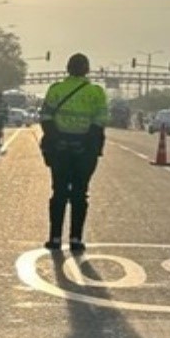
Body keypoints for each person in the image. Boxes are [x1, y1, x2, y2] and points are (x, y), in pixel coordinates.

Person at [40, 53, 109, 251]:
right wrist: (85, 143)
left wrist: (58, 139)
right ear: (87, 70)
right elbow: (100, 121)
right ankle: (76, 239)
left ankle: (54, 239)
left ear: (68, 69)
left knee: (59, 192)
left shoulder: (56, 89)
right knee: (80, 194)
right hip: (84, 151)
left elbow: (45, 117)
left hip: (59, 149)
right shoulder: (96, 92)